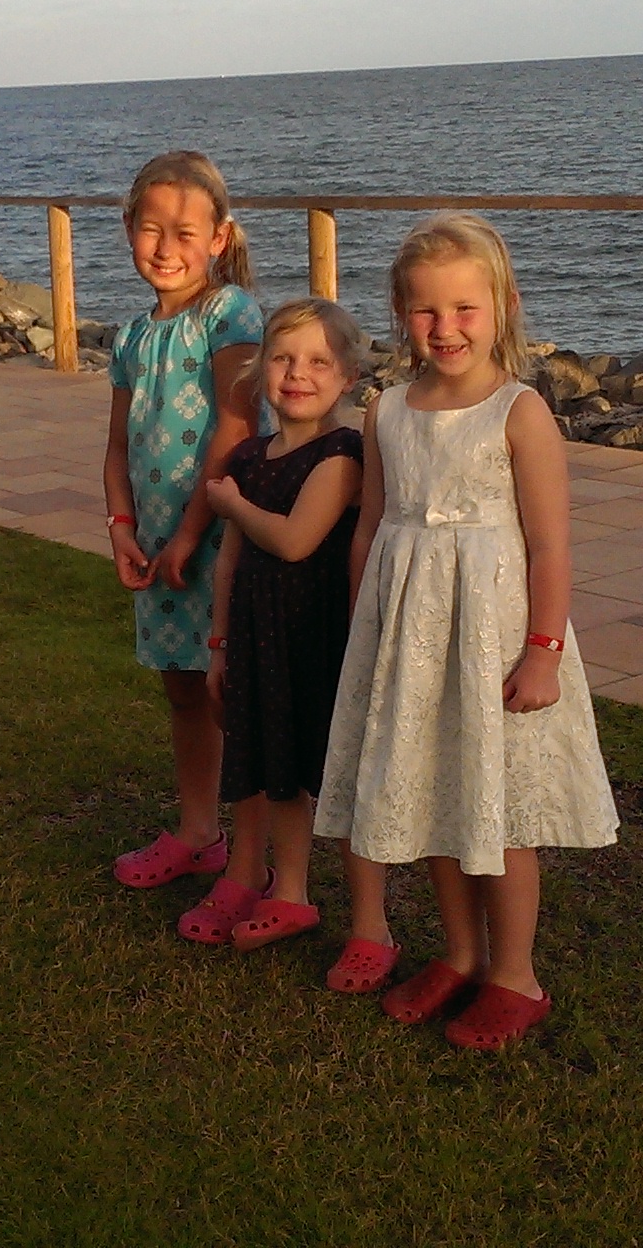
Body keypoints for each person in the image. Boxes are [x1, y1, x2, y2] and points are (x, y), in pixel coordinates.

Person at [314, 212, 621, 1051]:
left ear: (503, 306)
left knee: (499, 810)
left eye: (464, 308)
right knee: (438, 799)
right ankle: (459, 954)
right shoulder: (386, 412)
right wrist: (365, 633)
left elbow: (550, 545)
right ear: (400, 313)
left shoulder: (519, 412)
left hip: (496, 642)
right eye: (425, 310)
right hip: (411, 643)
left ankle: (515, 975)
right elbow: (371, 528)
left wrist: (543, 653)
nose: (445, 327)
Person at [181, 298, 369, 949]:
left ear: (347, 377)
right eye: (284, 358)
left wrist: (231, 504)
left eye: (319, 361)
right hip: (258, 636)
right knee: (276, 766)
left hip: (317, 640)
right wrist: (219, 646)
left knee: (332, 775)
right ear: (261, 367)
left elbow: (294, 541)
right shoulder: (249, 457)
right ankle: (289, 891)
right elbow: (229, 564)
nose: (298, 374)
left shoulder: (342, 454)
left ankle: (371, 922)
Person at [104, 151, 263, 891]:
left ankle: (256, 855)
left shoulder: (228, 315)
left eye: (185, 232)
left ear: (219, 238)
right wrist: (121, 526)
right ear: (128, 229)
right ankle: (200, 832)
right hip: (156, 545)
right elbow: (117, 445)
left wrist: (192, 534)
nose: (166, 248)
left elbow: (237, 426)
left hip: (217, 541)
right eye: (151, 229)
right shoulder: (131, 338)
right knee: (181, 688)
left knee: (228, 693)